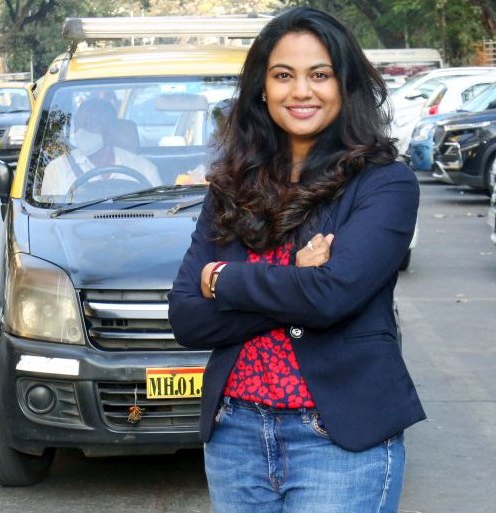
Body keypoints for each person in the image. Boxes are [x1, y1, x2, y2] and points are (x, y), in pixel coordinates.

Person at [167, 7, 423, 513]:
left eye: (319, 75)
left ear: (344, 85)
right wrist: (294, 280)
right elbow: (187, 317)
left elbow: (332, 297)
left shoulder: (384, 184)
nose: (301, 91)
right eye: (283, 75)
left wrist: (223, 281)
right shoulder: (230, 187)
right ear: (262, 88)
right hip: (234, 434)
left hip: (336, 439)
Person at [39, 98, 161, 197]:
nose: (80, 131)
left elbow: (159, 215)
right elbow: (50, 218)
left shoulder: (144, 169)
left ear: (110, 131)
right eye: (77, 125)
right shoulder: (58, 170)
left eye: (88, 124)